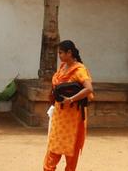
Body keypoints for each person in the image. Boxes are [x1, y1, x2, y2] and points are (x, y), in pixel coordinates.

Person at [44, 40, 94, 171]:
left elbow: (89, 89)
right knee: (54, 145)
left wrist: (71, 99)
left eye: (60, 53)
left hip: (73, 116)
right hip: (59, 115)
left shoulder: (79, 70)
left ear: (69, 53)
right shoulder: (62, 67)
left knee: (71, 148)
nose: (59, 55)